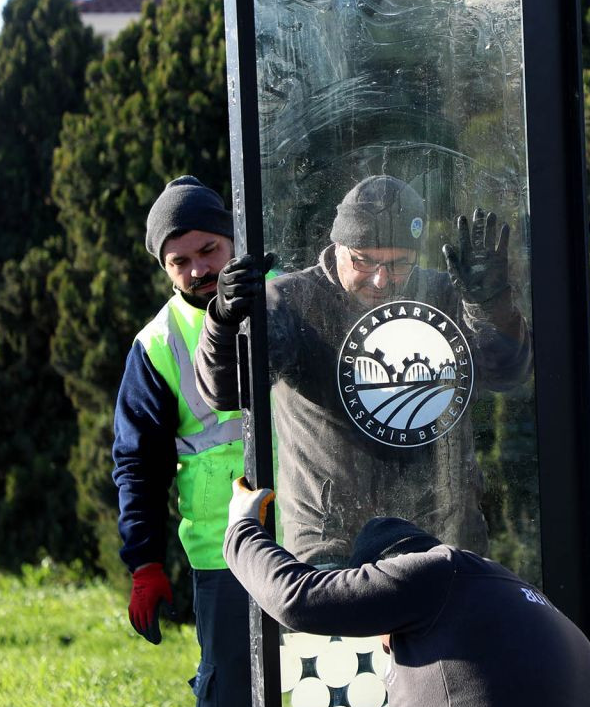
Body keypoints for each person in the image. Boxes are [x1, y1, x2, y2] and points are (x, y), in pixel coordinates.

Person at [195, 174, 531, 567]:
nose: (380, 279)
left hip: (444, 540)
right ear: (337, 247)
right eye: (364, 261)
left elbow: (508, 373)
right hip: (332, 547)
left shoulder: (445, 295)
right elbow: (229, 393)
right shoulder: (293, 302)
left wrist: (490, 308)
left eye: (398, 263)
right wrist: (220, 321)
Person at [223, 481, 590, 707]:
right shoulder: (528, 600)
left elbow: (297, 598)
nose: (382, 645)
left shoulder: (434, 573)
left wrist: (240, 530)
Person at [112, 176, 261, 707]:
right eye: (181, 261)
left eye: (209, 251)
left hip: (315, 538)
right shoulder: (156, 344)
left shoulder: (284, 295)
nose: (199, 269)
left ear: (232, 240)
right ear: (164, 268)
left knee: (338, 704)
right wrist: (144, 562)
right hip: (222, 554)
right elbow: (137, 464)